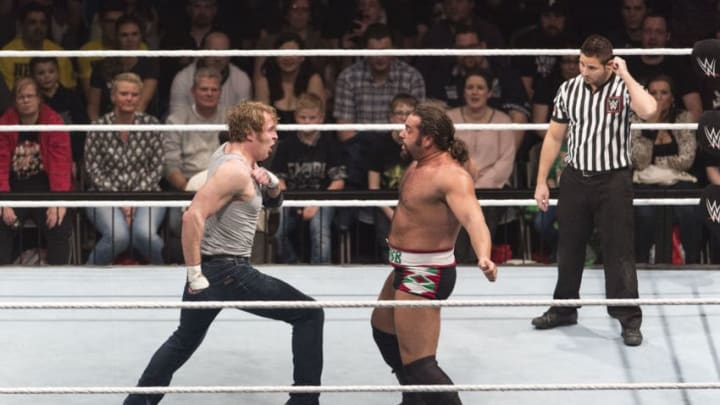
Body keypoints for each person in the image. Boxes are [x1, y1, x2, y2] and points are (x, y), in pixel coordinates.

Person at [124, 101, 324, 405]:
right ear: (249, 134)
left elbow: (272, 204)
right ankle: (304, 402)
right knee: (309, 314)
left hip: (212, 268)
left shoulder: (230, 156)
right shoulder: (235, 171)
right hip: (230, 272)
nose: (275, 137)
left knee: (183, 341)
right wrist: (194, 274)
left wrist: (271, 183)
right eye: (270, 130)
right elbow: (192, 215)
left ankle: (136, 403)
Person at [532, 34, 657, 347]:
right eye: (581, 63)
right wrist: (541, 179)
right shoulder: (568, 89)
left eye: (590, 66)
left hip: (613, 180)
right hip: (575, 178)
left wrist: (626, 74)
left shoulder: (622, 87)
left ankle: (628, 318)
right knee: (569, 248)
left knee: (619, 252)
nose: (583, 70)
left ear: (608, 66)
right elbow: (553, 137)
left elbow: (650, 110)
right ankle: (564, 308)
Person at [370, 101, 497, 405]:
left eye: (408, 129)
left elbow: (473, 219)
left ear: (427, 139)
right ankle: (414, 400)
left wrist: (484, 255)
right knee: (384, 333)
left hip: (425, 271)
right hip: (405, 267)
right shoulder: (417, 162)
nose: (401, 133)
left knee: (420, 363)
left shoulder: (451, 176)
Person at [83, 72, 165, 265]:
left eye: (134, 94)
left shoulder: (152, 125)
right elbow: (93, 170)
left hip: (148, 194)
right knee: (118, 236)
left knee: (144, 235)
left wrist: (135, 199)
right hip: (104, 195)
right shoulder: (99, 126)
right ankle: (84, 279)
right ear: (113, 96)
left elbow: (157, 167)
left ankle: (174, 280)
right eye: (124, 93)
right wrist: (122, 201)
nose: (129, 98)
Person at [0, 77, 73, 265]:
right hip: (13, 187)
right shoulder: (5, 123)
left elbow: (61, 164)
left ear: (39, 98)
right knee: (1, 224)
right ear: (14, 100)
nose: (25, 100)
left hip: (46, 187)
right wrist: (3, 201)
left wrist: (58, 201)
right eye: (21, 96)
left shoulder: (53, 121)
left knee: (58, 223)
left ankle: (58, 280)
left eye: (30, 96)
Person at [631, 74, 702, 264]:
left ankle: (692, 262)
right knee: (644, 214)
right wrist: (651, 126)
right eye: (653, 93)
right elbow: (639, 162)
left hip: (680, 180)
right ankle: (642, 262)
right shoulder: (636, 121)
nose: (658, 97)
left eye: (663, 93)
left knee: (689, 212)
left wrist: (657, 161)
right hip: (645, 182)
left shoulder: (683, 118)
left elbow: (687, 159)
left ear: (672, 98)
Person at [271, 92, 345, 264]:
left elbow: (338, 181)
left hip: (323, 201)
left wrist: (317, 203)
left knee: (319, 232)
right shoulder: (286, 145)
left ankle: (320, 276)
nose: (307, 122)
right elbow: (278, 180)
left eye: (312, 118)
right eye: (303, 117)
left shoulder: (330, 144)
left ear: (321, 118)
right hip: (290, 199)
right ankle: (294, 269)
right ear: (296, 117)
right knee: (277, 231)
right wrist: (293, 202)